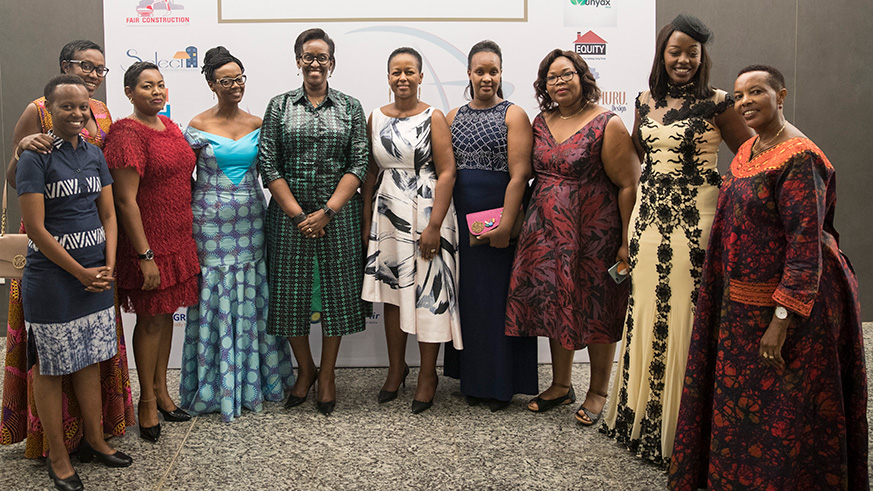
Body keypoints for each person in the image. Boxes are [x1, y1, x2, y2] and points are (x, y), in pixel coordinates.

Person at [668, 65, 868, 490]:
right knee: (745, 408)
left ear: (781, 95)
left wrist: (782, 321)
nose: (745, 103)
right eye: (739, 96)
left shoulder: (800, 157)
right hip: (741, 307)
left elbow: (805, 245)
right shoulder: (749, 149)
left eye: (756, 92)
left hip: (791, 313)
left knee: (786, 415)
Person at [599, 15, 753, 464]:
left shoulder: (721, 103)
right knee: (645, 312)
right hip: (648, 222)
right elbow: (637, 158)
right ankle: (639, 417)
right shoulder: (644, 102)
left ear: (702, 57)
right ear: (662, 54)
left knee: (687, 314)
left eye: (692, 53)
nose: (683, 60)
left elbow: (748, 157)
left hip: (696, 223)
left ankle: (685, 429)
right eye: (675, 51)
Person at [1, 40, 135, 460]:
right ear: (51, 109)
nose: (78, 112)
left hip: (96, 272)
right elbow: (34, 223)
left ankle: (95, 440)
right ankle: (57, 457)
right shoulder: (36, 142)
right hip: (55, 273)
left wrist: (108, 265)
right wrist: (80, 272)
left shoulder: (96, 143)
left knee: (93, 360)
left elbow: (109, 215)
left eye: (101, 69)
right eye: (68, 108)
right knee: (52, 366)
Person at [505, 50, 639, 424]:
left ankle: (597, 391)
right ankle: (561, 386)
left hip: (593, 233)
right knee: (554, 303)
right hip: (545, 233)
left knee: (598, 307)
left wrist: (626, 241)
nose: (559, 82)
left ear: (583, 77)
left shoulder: (606, 123)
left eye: (566, 74)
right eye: (551, 77)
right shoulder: (540, 121)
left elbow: (628, 184)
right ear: (544, 85)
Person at [178, 46, 294, 422]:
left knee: (251, 292)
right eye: (226, 80)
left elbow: (273, 172)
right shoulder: (195, 126)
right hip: (209, 222)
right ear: (212, 83)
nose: (235, 86)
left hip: (251, 217)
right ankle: (215, 383)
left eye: (239, 79)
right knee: (214, 294)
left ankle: (256, 380)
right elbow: (181, 179)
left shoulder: (260, 123)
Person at [258, 28, 370, 416]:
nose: (315, 62)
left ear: (332, 63)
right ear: (298, 61)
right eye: (308, 56)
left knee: (337, 295)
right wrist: (300, 216)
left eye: (322, 57)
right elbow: (268, 164)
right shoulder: (279, 106)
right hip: (289, 218)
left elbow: (359, 163)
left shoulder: (350, 107)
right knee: (291, 297)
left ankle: (328, 374)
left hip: (338, 216)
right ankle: (305, 368)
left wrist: (328, 212)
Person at [103, 61, 199, 441]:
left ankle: (162, 392)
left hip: (179, 239)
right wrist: (145, 256)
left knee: (167, 316)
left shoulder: (169, 126)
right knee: (151, 320)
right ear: (129, 93)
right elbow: (125, 201)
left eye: (160, 85)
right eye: (147, 86)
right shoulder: (127, 134)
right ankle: (145, 402)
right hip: (150, 243)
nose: (157, 92)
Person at [361, 47, 460, 414]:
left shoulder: (433, 116)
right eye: (395, 72)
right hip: (387, 214)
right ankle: (396, 368)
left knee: (428, 293)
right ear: (388, 77)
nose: (402, 78)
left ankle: (428, 375)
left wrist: (434, 225)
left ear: (421, 77)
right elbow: (370, 172)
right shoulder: (374, 116)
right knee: (391, 292)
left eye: (410, 71)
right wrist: (366, 218)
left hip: (427, 212)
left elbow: (448, 170)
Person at [442, 40, 537, 412]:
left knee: (500, 301)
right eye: (479, 71)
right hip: (462, 221)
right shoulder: (452, 117)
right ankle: (473, 380)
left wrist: (507, 225)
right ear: (468, 73)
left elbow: (520, 175)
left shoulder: (514, 115)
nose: (486, 77)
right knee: (471, 300)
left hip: (499, 220)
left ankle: (501, 385)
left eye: (493, 71)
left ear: (501, 74)